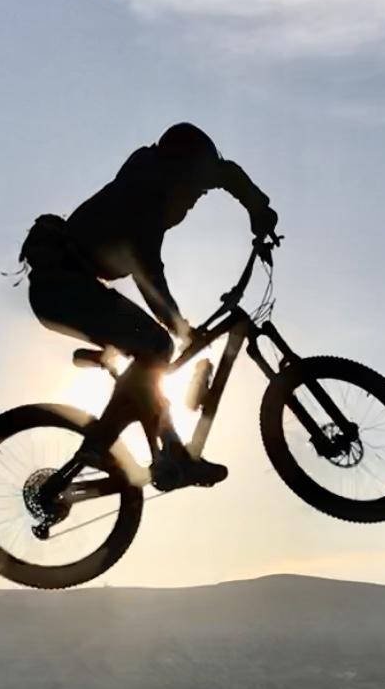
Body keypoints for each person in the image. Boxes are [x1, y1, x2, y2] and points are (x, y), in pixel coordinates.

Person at [19, 123, 277, 489]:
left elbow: (227, 174)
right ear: (178, 170)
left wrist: (259, 210)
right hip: (62, 289)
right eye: (195, 186)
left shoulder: (170, 174)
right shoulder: (145, 194)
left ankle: (174, 456)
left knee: (154, 359)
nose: (198, 196)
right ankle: (99, 443)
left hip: (74, 288)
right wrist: (179, 325)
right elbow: (147, 271)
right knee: (157, 344)